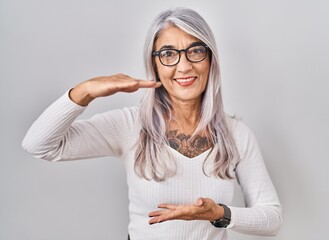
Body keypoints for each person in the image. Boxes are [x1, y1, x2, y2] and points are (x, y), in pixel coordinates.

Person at [22, 7, 282, 240]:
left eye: (195, 51)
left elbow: (271, 219)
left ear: (211, 59)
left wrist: (217, 213)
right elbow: (39, 145)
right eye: (169, 54)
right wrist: (85, 91)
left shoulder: (236, 135)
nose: (183, 66)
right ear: (155, 64)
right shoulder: (131, 124)